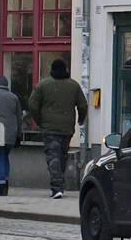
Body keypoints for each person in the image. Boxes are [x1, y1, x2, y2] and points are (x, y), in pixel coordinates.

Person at [28, 58, 88, 200]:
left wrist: (39, 121)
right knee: (62, 155)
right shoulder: (73, 86)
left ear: (52, 70)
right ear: (65, 70)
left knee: (53, 156)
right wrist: (80, 119)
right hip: (67, 128)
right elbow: (83, 105)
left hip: (49, 128)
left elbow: (32, 104)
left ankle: (57, 187)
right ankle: (59, 184)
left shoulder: (43, 85)